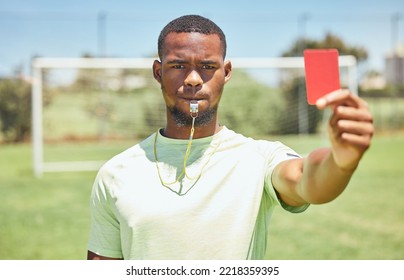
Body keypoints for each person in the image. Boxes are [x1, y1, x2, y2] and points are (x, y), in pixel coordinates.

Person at [87, 15, 373, 260]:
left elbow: (307, 179)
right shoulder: (115, 173)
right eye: (178, 66)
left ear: (226, 73)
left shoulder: (259, 158)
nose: (193, 79)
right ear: (158, 72)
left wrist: (341, 161)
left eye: (208, 67)